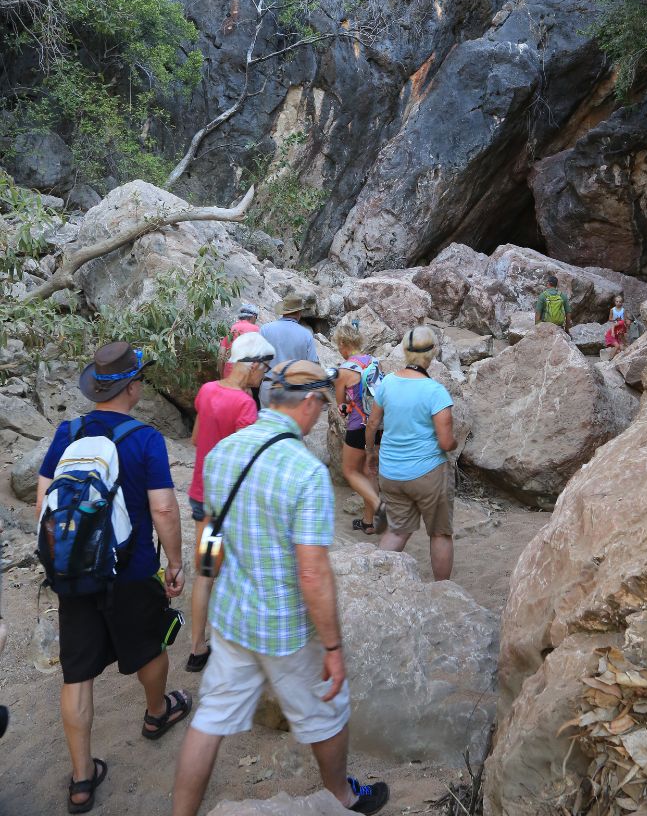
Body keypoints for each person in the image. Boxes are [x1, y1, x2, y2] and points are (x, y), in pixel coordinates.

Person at [171, 360, 389, 816]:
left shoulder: (223, 452)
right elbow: (311, 572)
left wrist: (208, 579)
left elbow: (211, 533)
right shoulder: (304, 472)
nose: (318, 416)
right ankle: (342, 797)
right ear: (308, 403)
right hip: (285, 627)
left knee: (210, 718)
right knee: (326, 712)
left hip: (232, 617)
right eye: (320, 406)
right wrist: (332, 645)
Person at [36, 342, 190, 815]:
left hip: (75, 570)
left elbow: (43, 499)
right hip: (132, 569)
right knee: (149, 646)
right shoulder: (144, 439)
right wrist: (176, 563)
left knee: (77, 673)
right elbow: (164, 507)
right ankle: (156, 712)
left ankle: (82, 780)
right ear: (133, 387)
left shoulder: (68, 431)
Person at [186, 331, 275, 673]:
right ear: (252, 365)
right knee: (237, 571)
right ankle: (237, 646)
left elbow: (196, 438)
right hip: (229, 506)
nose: (264, 375)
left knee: (206, 571)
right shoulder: (245, 405)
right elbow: (245, 460)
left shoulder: (208, 390)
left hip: (201, 499)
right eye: (263, 369)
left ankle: (196, 648)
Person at [364, 327, 457, 582]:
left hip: (391, 472)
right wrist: (455, 440)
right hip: (428, 474)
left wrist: (370, 454)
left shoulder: (387, 383)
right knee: (439, 534)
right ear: (433, 353)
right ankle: (443, 591)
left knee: (397, 530)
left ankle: (374, 583)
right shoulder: (435, 392)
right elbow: (446, 442)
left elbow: (372, 425)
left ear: (404, 351)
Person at [332, 319, 385, 536]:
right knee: (369, 471)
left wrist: (345, 406)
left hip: (357, 426)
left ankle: (379, 505)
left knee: (350, 471)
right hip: (378, 425)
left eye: (338, 346)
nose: (339, 350)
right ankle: (368, 522)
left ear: (344, 344)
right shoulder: (375, 362)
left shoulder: (343, 371)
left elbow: (340, 403)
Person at [260, 292, 319, 365]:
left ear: (283, 311)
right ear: (299, 313)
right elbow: (312, 363)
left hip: (269, 375)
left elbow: (257, 357)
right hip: (294, 375)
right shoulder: (307, 335)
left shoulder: (265, 329)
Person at [217, 302, 260, 378]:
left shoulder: (231, 329)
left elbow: (221, 355)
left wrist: (221, 375)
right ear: (253, 316)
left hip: (228, 372)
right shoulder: (256, 330)